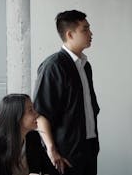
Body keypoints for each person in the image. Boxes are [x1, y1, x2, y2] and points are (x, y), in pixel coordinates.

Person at [33, 10, 100, 175]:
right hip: (65, 153)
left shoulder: (85, 66)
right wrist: (51, 149)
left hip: (88, 148)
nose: (91, 33)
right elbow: (41, 113)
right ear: (70, 34)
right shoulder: (53, 66)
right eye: (85, 29)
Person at [0, 94, 53, 175]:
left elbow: (49, 170)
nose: (36, 114)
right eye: (30, 110)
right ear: (17, 117)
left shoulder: (33, 137)